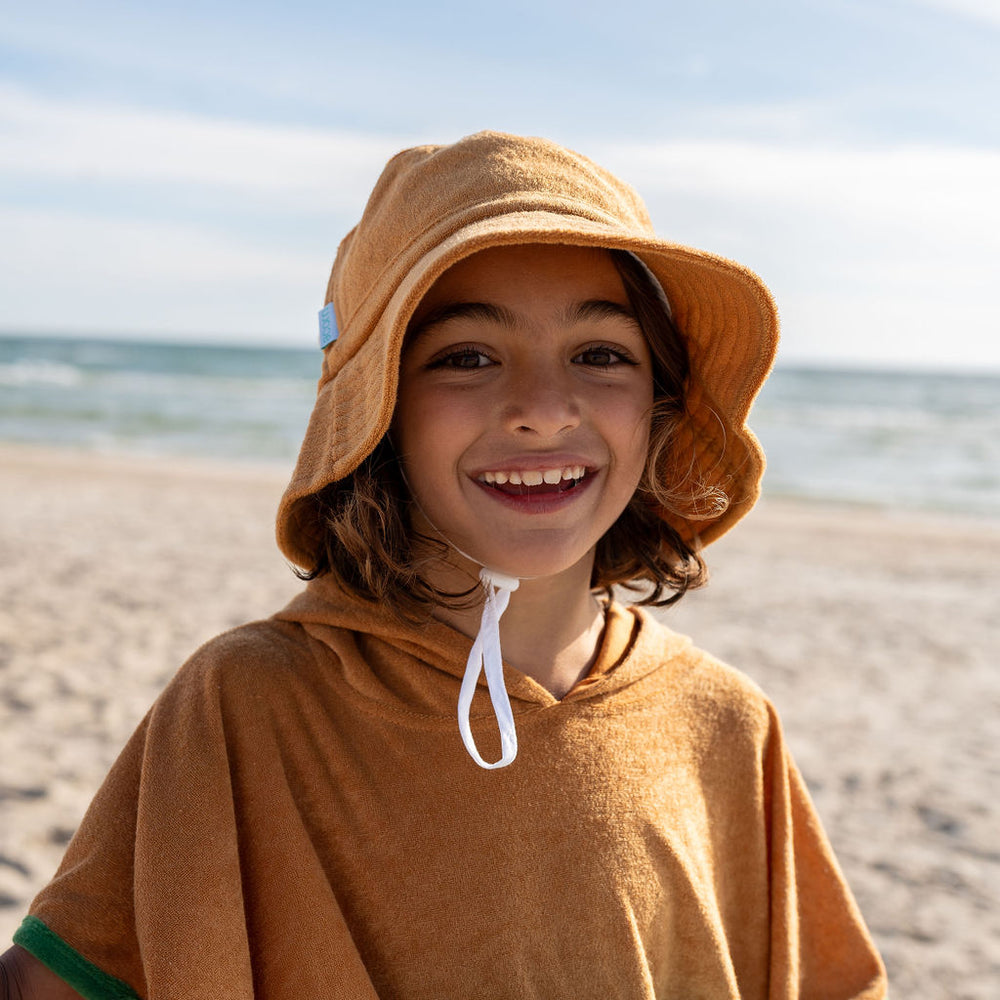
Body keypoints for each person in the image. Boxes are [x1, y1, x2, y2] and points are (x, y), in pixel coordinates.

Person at [1, 131, 887, 999]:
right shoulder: (248, 704)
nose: (543, 408)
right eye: (466, 357)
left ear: (661, 404)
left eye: (601, 354)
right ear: (379, 410)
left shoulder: (728, 722)